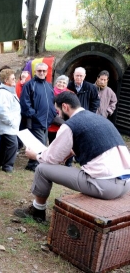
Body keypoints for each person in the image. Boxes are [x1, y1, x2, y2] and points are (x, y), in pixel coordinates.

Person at [14, 91, 130, 223]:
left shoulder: (70, 125)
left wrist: (35, 155)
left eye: (58, 111)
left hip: (106, 186)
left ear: (65, 107)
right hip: (125, 183)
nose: (58, 114)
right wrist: (71, 152)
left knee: (42, 168)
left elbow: (50, 159)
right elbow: (97, 146)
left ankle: (37, 211)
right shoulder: (99, 119)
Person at [20, 62, 56, 172]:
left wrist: (53, 113)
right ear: (35, 71)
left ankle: (33, 163)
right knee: (40, 144)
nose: (41, 72)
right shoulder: (29, 84)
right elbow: (25, 103)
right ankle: (33, 164)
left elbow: (51, 101)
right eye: (39, 70)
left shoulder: (49, 86)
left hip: (47, 120)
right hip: (35, 121)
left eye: (44, 71)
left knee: (42, 142)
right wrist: (34, 115)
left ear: (47, 72)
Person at [0, 69, 21, 173]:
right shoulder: (2, 93)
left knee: (4, 144)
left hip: (9, 125)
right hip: (8, 125)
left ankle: (1, 162)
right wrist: (11, 122)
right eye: (13, 78)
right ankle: (8, 166)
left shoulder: (9, 90)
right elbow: (2, 111)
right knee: (13, 145)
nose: (15, 80)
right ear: (6, 80)